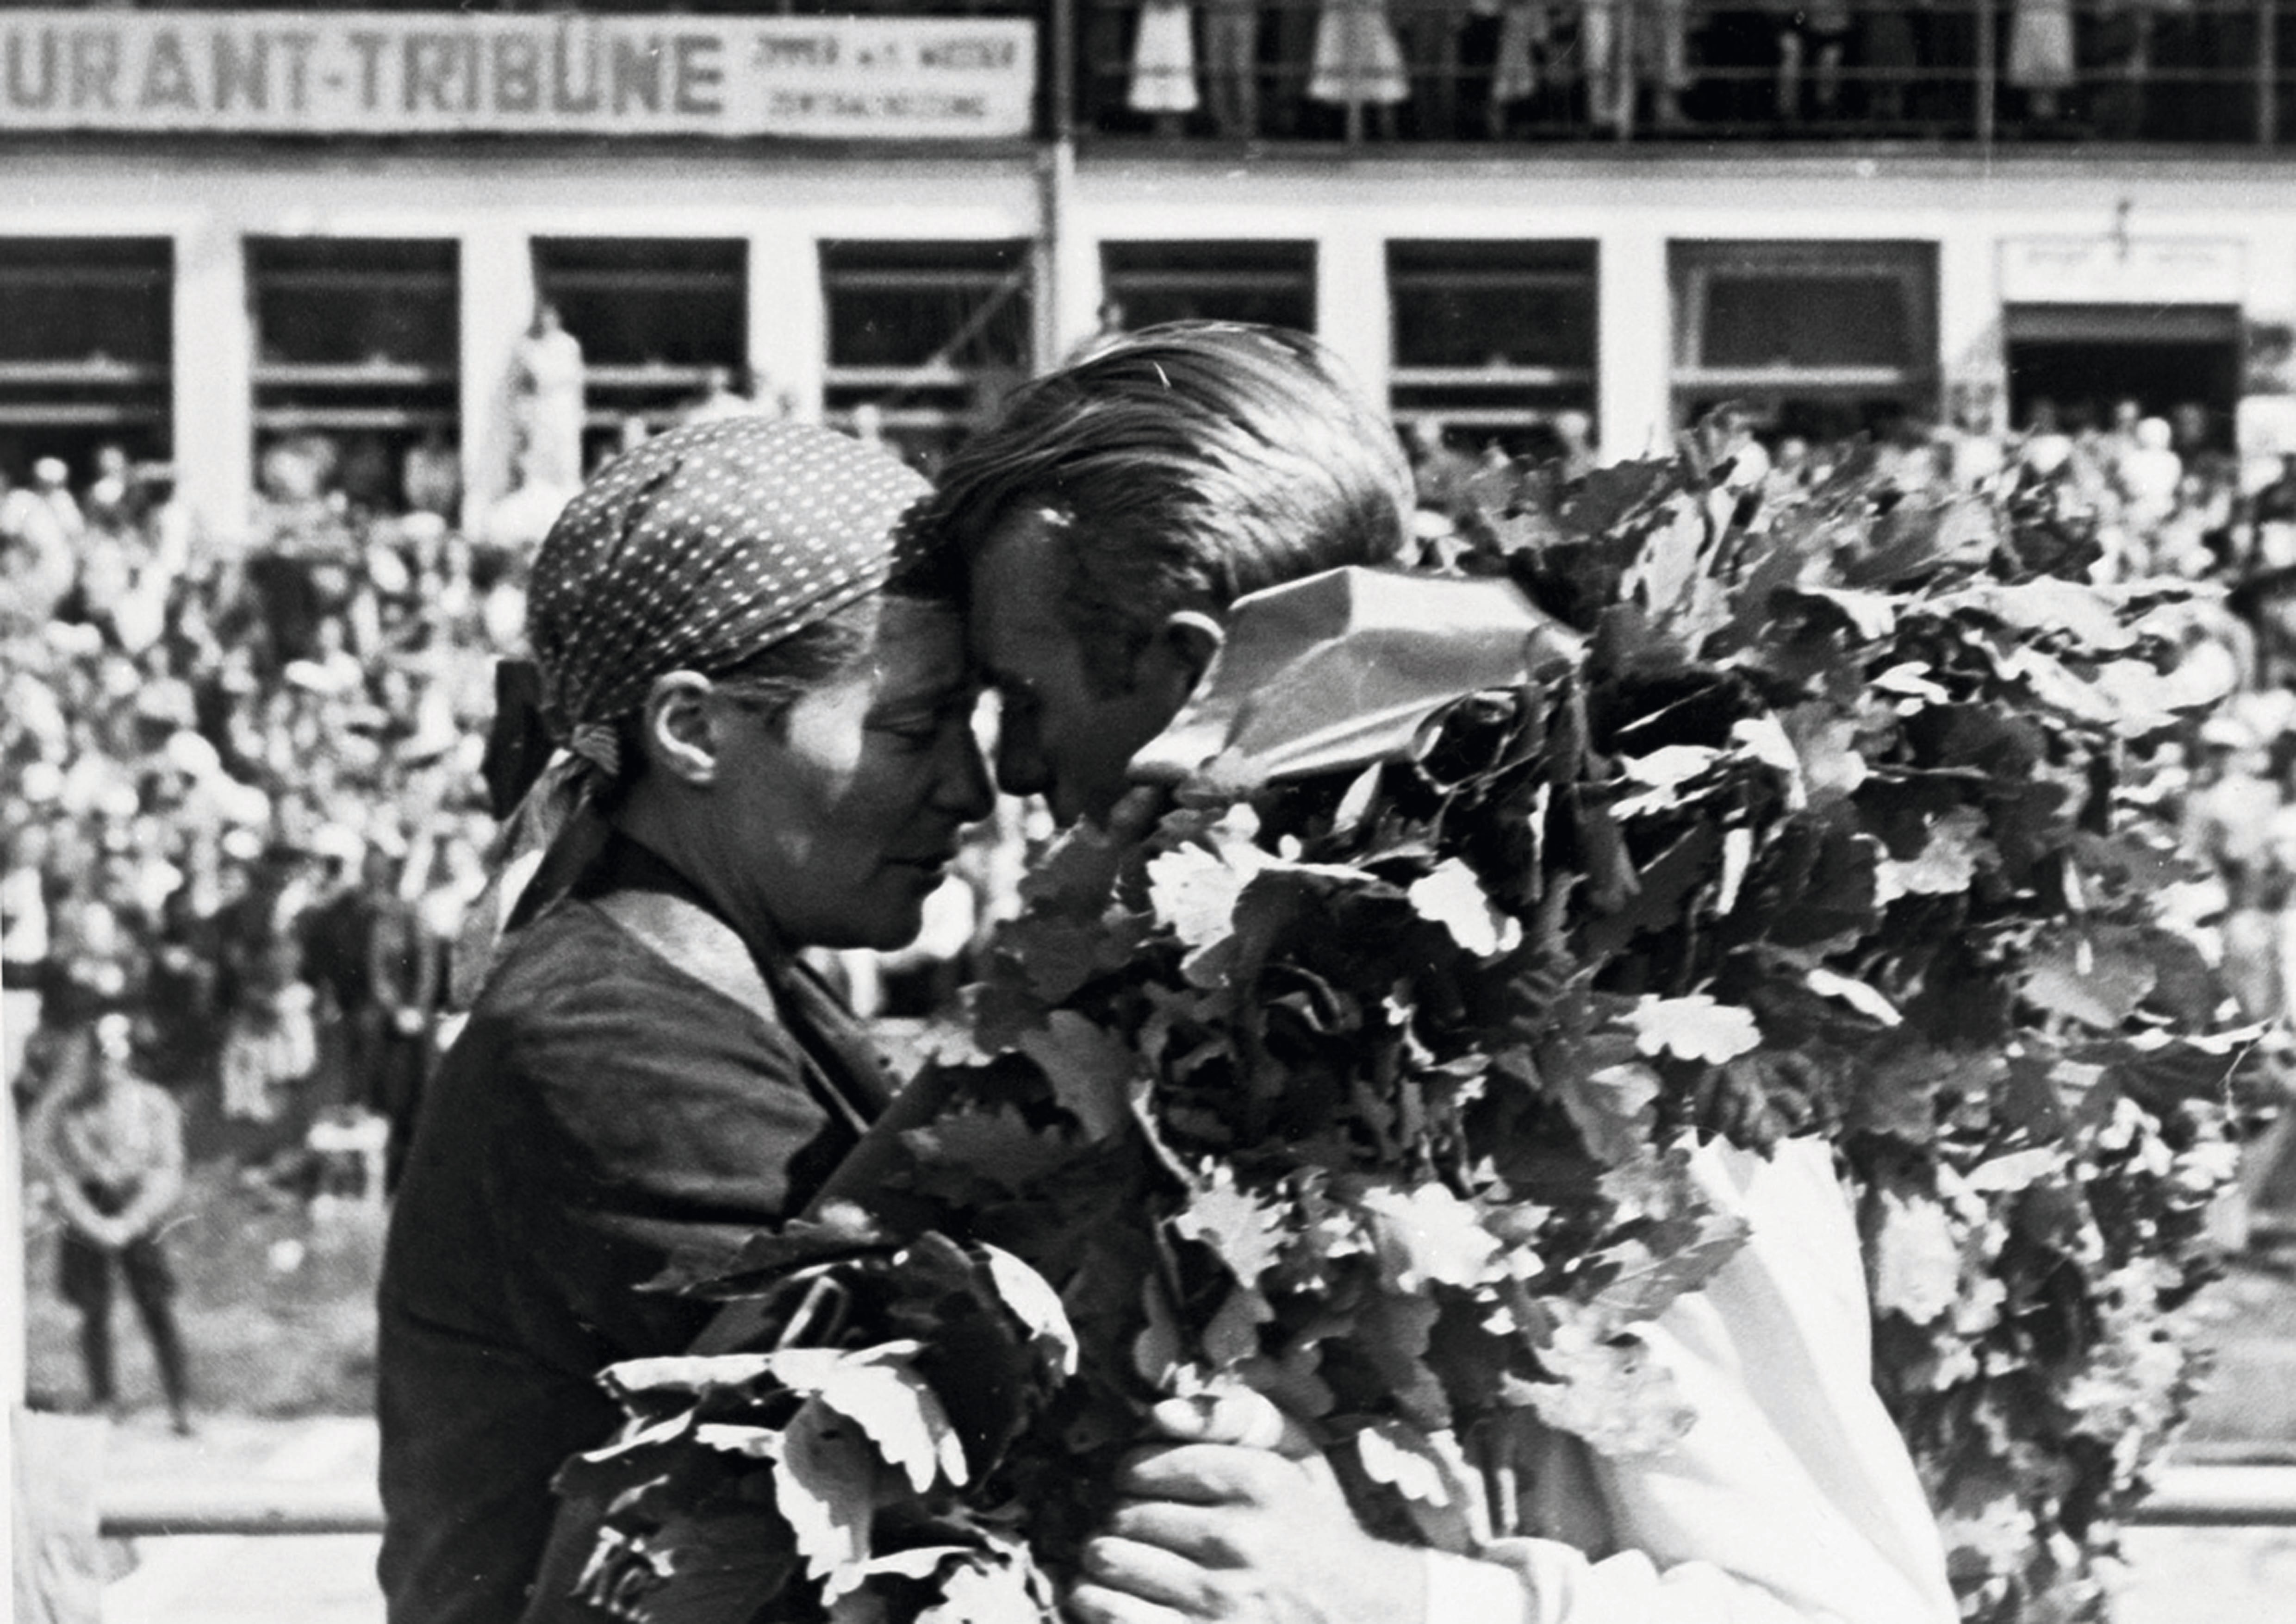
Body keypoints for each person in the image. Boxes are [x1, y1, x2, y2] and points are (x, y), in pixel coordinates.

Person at [930, 322, 1958, 1624]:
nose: (1013, 767)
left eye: (1024, 696)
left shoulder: (1610, 1044)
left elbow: (1854, 1610)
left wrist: (1380, 1596)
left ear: (1182, 669)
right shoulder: (1182, 996)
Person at [375, 418, 994, 1624]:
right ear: (694, 729)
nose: (970, 788)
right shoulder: (613, 1044)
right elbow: (964, 1414)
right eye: (914, 727)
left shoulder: (706, 967)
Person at [29, 1011, 194, 1436]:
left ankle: (181, 1404)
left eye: (116, 1058)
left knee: (157, 1305)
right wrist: (92, 1223)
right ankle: (105, 1399)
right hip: (89, 1210)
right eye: (100, 1058)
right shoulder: (71, 1111)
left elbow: (168, 1170)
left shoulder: (153, 1103)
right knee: (93, 1308)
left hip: (138, 1208)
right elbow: (59, 1172)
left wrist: (133, 1219)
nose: (108, 1068)